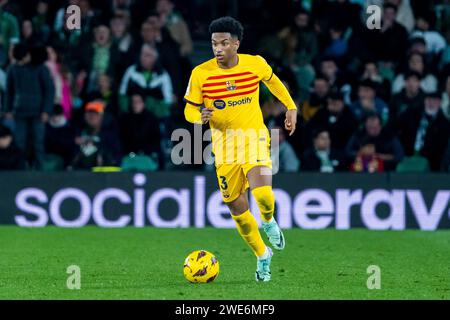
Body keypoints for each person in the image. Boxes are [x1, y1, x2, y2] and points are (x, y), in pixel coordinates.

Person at [184, 17, 297, 282]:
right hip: (223, 149)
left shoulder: (255, 63)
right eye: (214, 43)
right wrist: (198, 116)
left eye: (224, 43)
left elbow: (274, 82)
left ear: (236, 43)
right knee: (238, 208)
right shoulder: (201, 73)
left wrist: (290, 107)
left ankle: (268, 222)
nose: (218, 48)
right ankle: (262, 255)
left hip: (254, 138)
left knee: (264, 194)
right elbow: (189, 108)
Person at [4, 44, 55, 169]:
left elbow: (49, 90)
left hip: (38, 112)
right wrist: (8, 109)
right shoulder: (13, 68)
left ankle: (40, 169)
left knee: (38, 142)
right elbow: (9, 91)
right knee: (19, 142)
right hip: (19, 111)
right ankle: (20, 168)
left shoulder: (41, 68)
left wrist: (46, 111)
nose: (21, 61)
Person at [396, 91, 450, 171]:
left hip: (431, 163)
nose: (431, 103)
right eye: (428, 100)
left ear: (439, 103)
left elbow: (441, 149)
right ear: (424, 101)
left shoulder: (444, 124)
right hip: (407, 157)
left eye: (434, 101)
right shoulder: (412, 115)